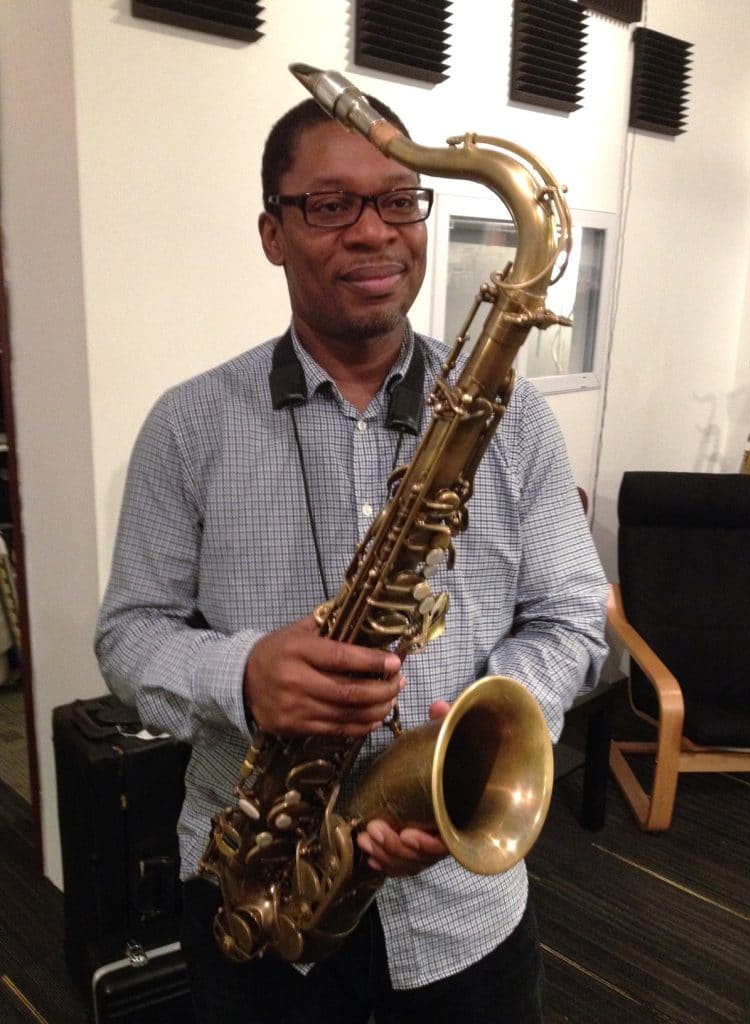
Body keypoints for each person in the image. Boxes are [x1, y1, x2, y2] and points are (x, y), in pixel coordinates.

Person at [95, 91, 608, 1024]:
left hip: (465, 909)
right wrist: (244, 675)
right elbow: (129, 634)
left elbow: (573, 612)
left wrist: (466, 767)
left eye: (401, 201)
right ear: (272, 232)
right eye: (330, 205)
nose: (375, 232)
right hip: (258, 889)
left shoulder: (519, 417)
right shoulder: (187, 424)